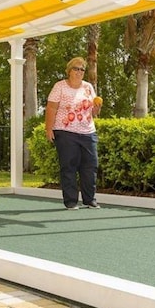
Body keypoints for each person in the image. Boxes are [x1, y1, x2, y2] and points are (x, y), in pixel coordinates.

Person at [45, 57, 101, 210]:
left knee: (90, 166)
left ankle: (90, 200)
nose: (79, 72)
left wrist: (96, 108)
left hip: (88, 132)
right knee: (69, 166)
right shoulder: (60, 87)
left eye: (82, 69)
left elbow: (93, 112)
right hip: (65, 132)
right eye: (76, 68)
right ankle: (71, 201)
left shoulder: (88, 87)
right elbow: (51, 108)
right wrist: (49, 129)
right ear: (69, 70)